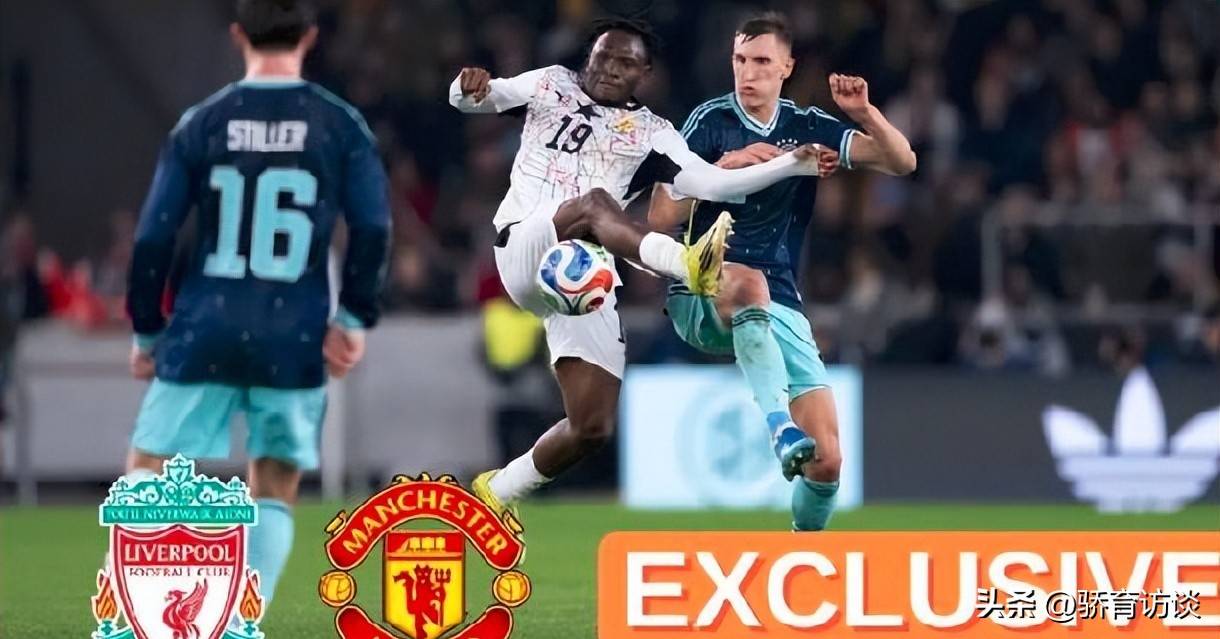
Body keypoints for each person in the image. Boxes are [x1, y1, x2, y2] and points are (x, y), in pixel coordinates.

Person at [448, 18, 832, 525]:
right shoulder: (549, 84)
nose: (610, 68)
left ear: (644, 74)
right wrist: (465, 87)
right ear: (589, 56)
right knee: (594, 204)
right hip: (525, 244)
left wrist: (791, 165)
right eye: (603, 56)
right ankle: (687, 265)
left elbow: (712, 183)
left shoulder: (654, 133)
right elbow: (476, 99)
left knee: (591, 426)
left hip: (582, 275)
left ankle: (496, 491)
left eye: (625, 62)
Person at [123, 0, 390, 612]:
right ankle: (245, 616)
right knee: (274, 478)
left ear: (238, 34)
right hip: (294, 332)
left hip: (205, 322)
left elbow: (153, 236)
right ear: (311, 38)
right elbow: (373, 228)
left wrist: (146, 330)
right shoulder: (340, 124)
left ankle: (155, 614)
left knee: (149, 462)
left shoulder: (202, 123)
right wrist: (352, 318)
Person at [648, 12, 916, 531]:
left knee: (827, 461)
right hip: (701, 287)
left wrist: (865, 113)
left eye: (761, 61)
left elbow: (902, 161)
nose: (747, 73)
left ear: (786, 67)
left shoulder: (807, 128)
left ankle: (799, 555)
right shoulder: (708, 122)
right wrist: (721, 168)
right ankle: (779, 426)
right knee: (749, 283)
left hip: (779, 300)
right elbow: (659, 216)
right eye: (740, 60)